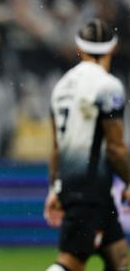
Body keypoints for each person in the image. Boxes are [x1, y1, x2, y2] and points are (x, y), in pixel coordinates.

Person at [44, 18, 130, 271]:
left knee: (118, 256)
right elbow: (115, 147)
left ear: (79, 49)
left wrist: (54, 188)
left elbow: (57, 147)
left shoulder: (61, 87)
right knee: (70, 262)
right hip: (91, 186)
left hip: (77, 185)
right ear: (112, 49)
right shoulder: (109, 85)